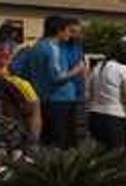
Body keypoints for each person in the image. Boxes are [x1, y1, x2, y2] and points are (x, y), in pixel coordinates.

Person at [22, 16, 84, 148]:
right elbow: (57, 77)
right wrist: (76, 70)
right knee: (62, 144)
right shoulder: (53, 49)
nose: (70, 34)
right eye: (68, 30)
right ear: (59, 31)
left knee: (48, 141)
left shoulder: (35, 47)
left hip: (43, 99)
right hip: (60, 101)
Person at [87, 38, 126, 151]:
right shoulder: (123, 69)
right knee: (117, 156)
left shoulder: (97, 67)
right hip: (114, 117)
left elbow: (90, 91)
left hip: (95, 115)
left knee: (99, 155)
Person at [0, 39, 41, 143]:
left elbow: (35, 113)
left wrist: (32, 140)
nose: (5, 52)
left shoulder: (20, 84)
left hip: (11, 139)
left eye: (7, 51)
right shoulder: (20, 84)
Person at [62, 18, 89, 143]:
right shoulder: (59, 48)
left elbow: (83, 67)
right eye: (73, 31)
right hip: (64, 96)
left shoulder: (78, 47)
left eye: (79, 32)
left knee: (79, 131)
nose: (77, 35)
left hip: (79, 95)